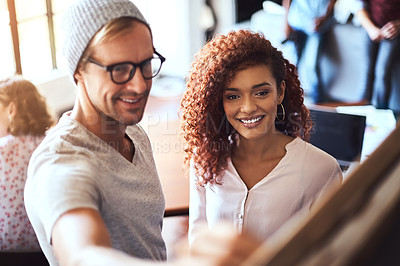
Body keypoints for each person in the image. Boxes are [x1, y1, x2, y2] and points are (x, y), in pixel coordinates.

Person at [24, 0, 259, 265]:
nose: (140, 85)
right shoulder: (59, 162)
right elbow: (81, 254)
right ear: (79, 69)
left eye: (145, 64)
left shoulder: (133, 133)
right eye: (119, 69)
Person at [180, 30, 343, 245]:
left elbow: (328, 253)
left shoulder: (321, 170)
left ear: (280, 92)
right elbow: (198, 243)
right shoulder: (204, 160)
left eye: (261, 93)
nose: (248, 108)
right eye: (233, 96)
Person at [0, 76, 54, 250]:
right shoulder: (52, 144)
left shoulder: (3, 150)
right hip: (46, 248)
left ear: (11, 110)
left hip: (9, 248)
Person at [282, 0, 337, 103]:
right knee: (290, 64)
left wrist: (324, 17)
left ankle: (318, 103)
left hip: (318, 24)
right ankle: (288, 102)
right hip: (297, 21)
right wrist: (286, 21)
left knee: (311, 65)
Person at [355, 0, 400, 109]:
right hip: (370, 26)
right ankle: (361, 112)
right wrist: (371, 29)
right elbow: (358, 6)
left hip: (393, 30)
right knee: (367, 71)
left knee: (382, 72)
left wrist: (398, 24)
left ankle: (381, 113)